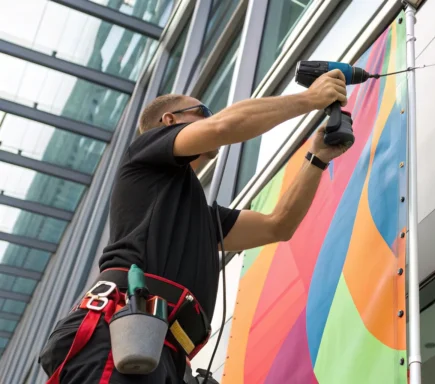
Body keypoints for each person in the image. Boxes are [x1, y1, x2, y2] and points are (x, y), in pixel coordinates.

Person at [38, 69, 351, 384]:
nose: (211, 118)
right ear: (170, 121)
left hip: (160, 348)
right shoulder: (144, 153)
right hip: (119, 332)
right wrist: (310, 98)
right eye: (203, 112)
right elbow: (223, 127)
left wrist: (317, 157)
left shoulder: (199, 214)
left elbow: (278, 226)